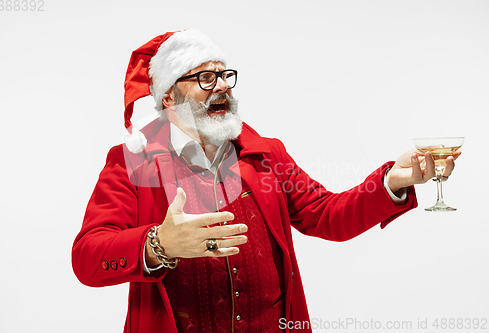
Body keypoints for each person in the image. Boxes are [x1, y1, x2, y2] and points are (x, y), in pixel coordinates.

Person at [72, 30, 459, 333]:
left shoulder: (265, 154)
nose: (222, 85)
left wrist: (391, 181)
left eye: (224, 75)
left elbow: (326, 215)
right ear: (169, 97)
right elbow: (88, 257)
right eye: (205, 78)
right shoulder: (133, 163)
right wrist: (159, 244)